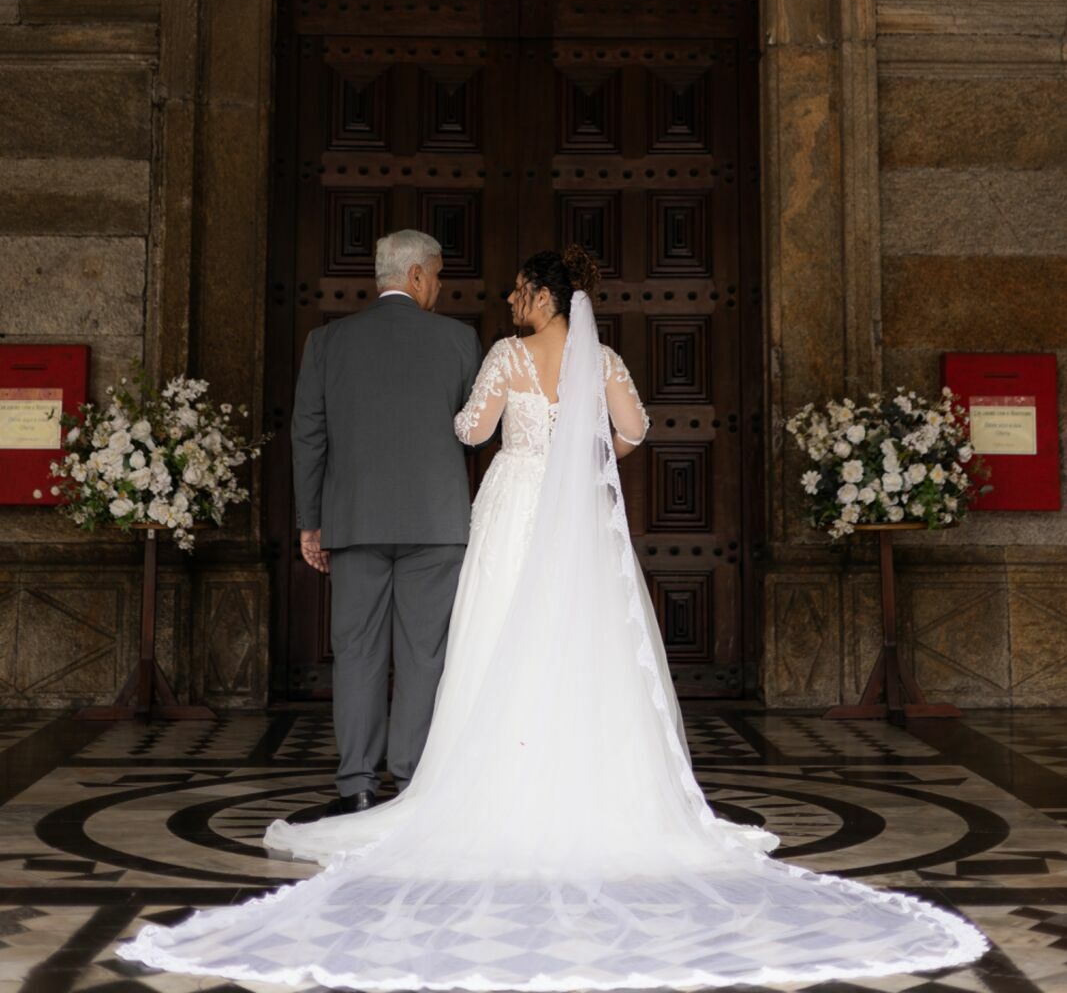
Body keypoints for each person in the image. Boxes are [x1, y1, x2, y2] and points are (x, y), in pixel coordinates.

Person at [119, 246, 986, 990]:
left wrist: (493, 422)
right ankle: (591, 778)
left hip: (513, 505)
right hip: (580, 515)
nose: (506, 302)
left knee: (495, 638)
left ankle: (453, 773)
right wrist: (586, 442)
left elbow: (467, 431)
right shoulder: (603, 361)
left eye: (516, 292)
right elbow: (637, 432)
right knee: (589, 641)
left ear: (539, 294)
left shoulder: (504, 352)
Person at [290, 228, 481, 814]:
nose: (440, 287)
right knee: (425, 654)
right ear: (417, 276)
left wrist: (310, 521)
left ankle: (357, 783)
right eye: (439, 275)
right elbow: (474, 432)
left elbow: (308, 435)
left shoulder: (327, 342)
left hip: (353, 521)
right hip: (436, 521)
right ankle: (412, 777)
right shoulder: (459, 339)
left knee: (357, 652)